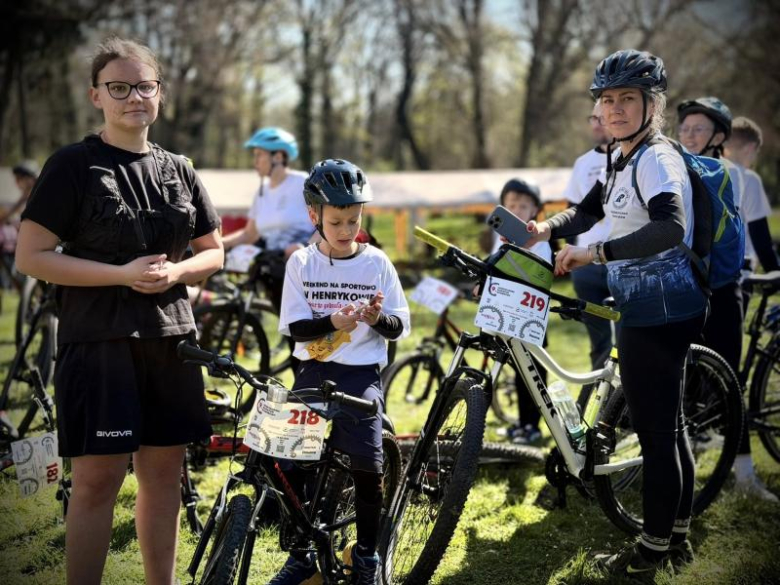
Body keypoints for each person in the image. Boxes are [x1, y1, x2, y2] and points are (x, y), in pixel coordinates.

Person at [14, 37, 223, 585]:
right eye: (120, 87)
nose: (135, 97)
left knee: (164, 475)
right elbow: (32, 256)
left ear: (161, 94)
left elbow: (214, 252)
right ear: (97, 96)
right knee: (98, 481)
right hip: (99, 341)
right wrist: (122, 274)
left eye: (145, 86)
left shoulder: (180, 168)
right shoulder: (72, 166)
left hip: (171, 340)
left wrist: (175, 274)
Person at [527, 49, 707, 580]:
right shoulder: (622, 155)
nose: (616, 108)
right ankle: (674, 540)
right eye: (607, 100)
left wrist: (595, 253)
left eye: (628, 98)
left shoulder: (656, 157)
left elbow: (669, 226)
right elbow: (588, 210)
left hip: (660, 309)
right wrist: (545, 229)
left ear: (653, 105)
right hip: (651, 304)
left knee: (655, 435)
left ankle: (648, 555)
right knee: (669, 429)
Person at [275, 158, 410, 585]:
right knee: (291, 460)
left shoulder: (377, 263)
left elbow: (399, 326)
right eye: (336, 221)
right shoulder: (300, 263)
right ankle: (300, 554)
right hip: (313, 369)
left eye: (354, 219)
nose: (347, 229)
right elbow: (295, 328)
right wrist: (334, 322)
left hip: (361, 375)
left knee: (368, 469)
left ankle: (367, 556)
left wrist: (373, 319)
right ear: (314, 215)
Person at [724, 116, 780, 502]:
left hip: (709, 274)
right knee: (732, 374)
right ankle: (743, 472)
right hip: (739, 275)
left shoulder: (706, 168)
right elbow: (762, 243)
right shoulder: (749, 178)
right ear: (750, 148)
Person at [221, 126, 312, 310]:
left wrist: (307, 247)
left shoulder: (303, 183)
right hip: (275, 269)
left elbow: (328, 222)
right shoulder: (261, 193)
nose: (255, 161)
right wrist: (218, 245)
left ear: (278, 157)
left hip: (307, 270)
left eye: (259, 155)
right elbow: (249, 234)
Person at [491, 178, 551, 444]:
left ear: (535, 210)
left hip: (532, 316)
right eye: (511, 204)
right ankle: (522, 424)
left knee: (534, 373)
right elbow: (495, 266)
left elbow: (538, 274)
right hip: (508, 315)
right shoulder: (501, 237)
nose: (516, 210)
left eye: (523, 205)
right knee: (517, 371)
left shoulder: (538, 240)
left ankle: (534, 426)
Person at [563, 102, 619, 370]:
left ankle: (625, 401)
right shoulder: (582, 163)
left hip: (621, 260)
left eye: (601, 118)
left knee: (627, 341)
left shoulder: (630, 157)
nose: (597, 123)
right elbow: (572, 212)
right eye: (592, 118)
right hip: (585, 266)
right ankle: (598, 397)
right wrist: (567, 254)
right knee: (599, 341)